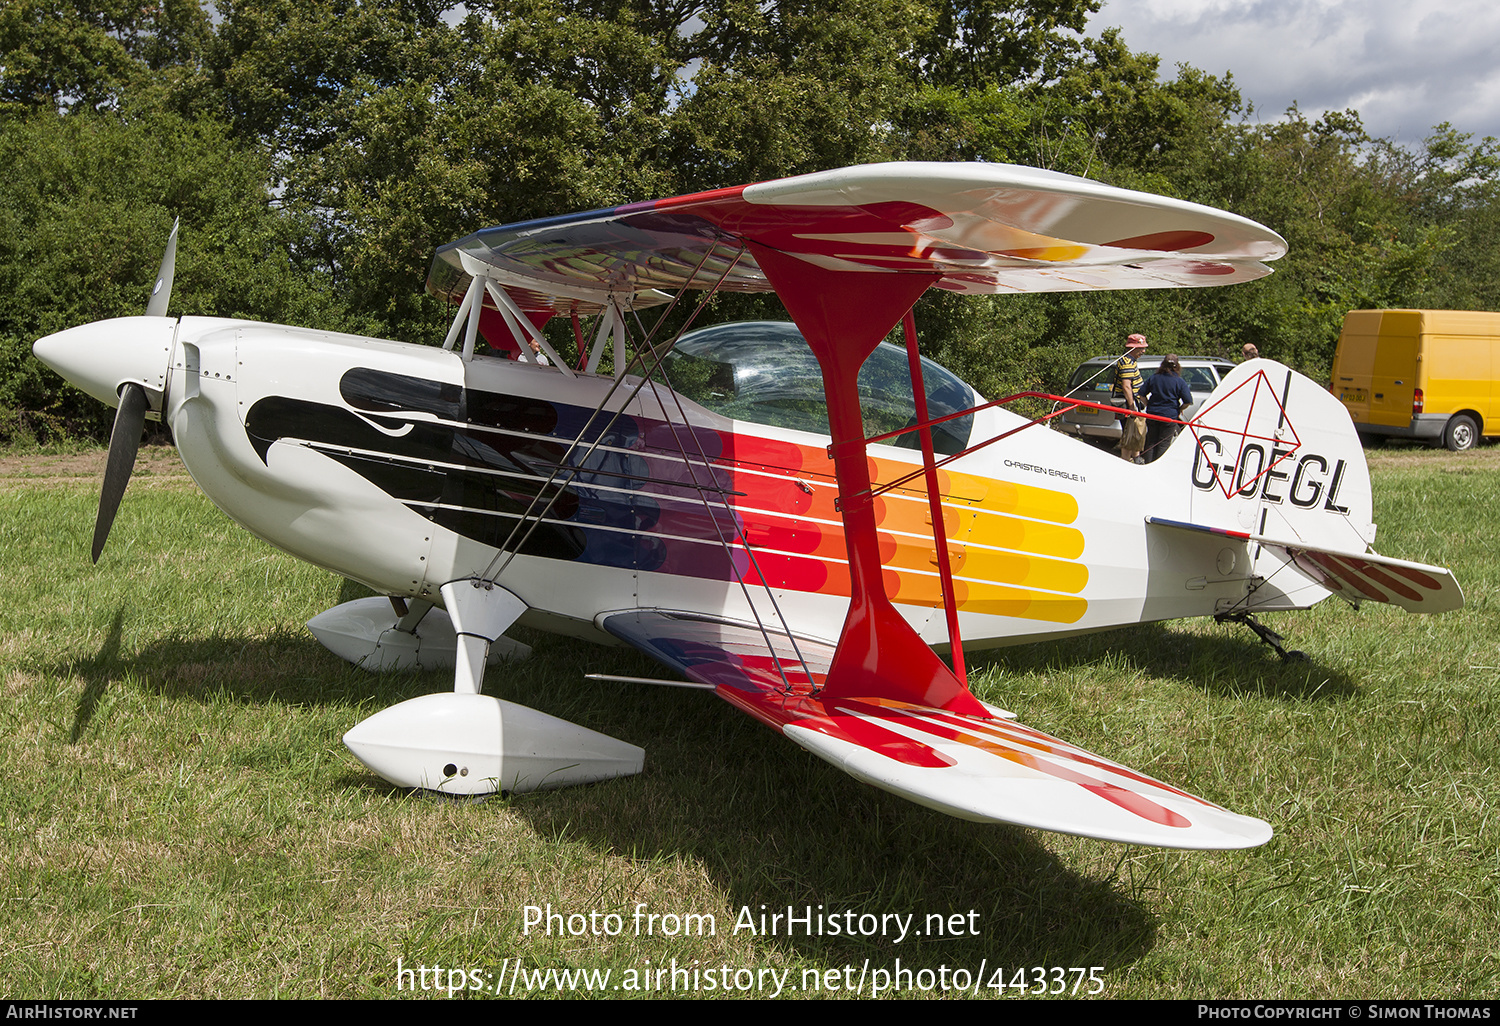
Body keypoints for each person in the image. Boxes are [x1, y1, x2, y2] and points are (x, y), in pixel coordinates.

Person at [1140, 354, 1194, 463]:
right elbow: (1188, 401)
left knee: (1151, 442)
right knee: (1163, 444)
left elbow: (1141, 394)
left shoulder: (1154, 378)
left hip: (1153, 414)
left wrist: (1148, 405)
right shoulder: (1179, 381)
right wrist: (1179, 409)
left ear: (1162, 364)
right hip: (1169, 416)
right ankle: (1157, 466)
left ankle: (1148, 464)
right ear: (1177, 366)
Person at [1114, 333, 1148, 461]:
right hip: (1130, 404)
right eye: (1141, 348)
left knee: (1135, 432)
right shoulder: (1127, 363)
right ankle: (1127, 460)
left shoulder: (1129, 360)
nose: (1143, 351)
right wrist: (1132, 406)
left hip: (1133, 402)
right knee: (1130, 433)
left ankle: (1135, 458)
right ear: (1132, 348)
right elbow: (1126, 386)